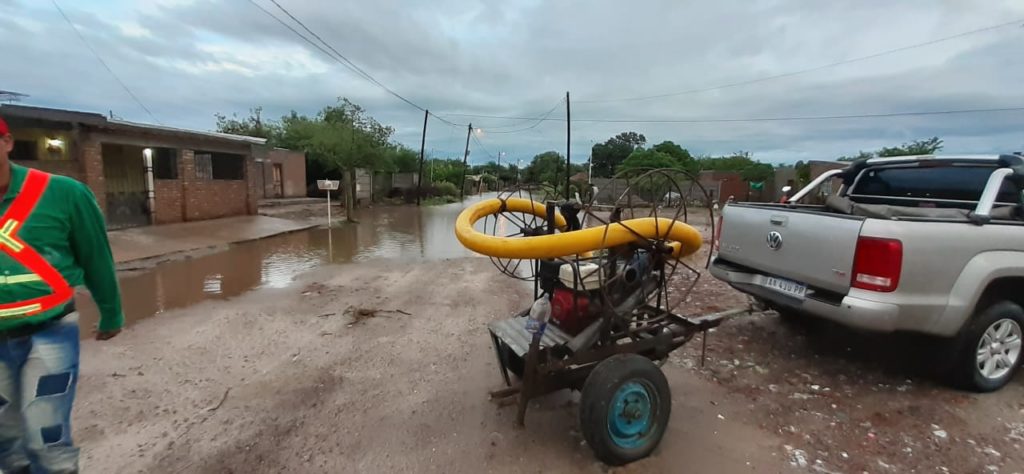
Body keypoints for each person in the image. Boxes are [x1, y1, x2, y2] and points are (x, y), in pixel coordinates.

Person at [0, 116, 124, 474]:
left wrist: (111, 312)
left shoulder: (65, 194)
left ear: (7, 142)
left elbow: (95, 256)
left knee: (46, 437)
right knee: (5, 442)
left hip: (50, 331)